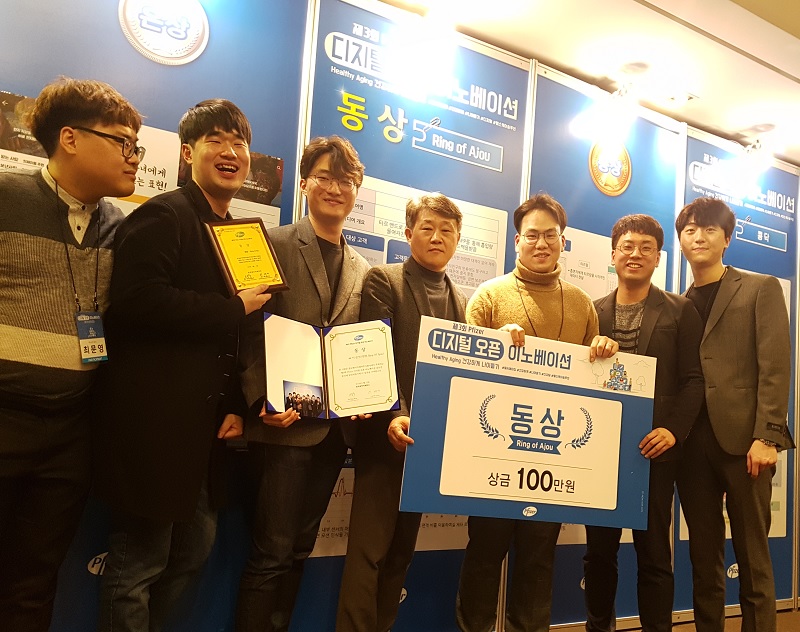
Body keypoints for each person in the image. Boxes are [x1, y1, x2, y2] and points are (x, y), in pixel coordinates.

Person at [93, 99, 270, 632]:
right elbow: (134, 303)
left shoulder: (238, 232)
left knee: (193, 551)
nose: (231, 152)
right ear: (188, 152)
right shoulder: (165, 214)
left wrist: (237, 404)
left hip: (205, 430)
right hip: (153, 425)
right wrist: (231, 307)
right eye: (216, 140)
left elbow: (236, 336)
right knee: (137, 563)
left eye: (239, 143)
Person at [0, 77, 142, 631]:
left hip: (72, 431)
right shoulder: (6, 197)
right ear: (70, 138)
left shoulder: (122, 228)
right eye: (122, 142)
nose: (134, 156)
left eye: (136, 146)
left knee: (34, 580)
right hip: (5, 414)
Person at [455, 193, 618, 632]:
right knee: (483, 557)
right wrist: (492, 342)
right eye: (532, 235)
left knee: (538, 563)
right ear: (517, 241)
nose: (541, 243)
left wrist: (604, 351)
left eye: (550, 235)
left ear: (563, 241)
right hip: (492, 458)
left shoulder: (583, 304)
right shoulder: (489, 296)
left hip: (552, 460)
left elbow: (593, 385)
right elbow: (465, 376)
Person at [236, 135, 369, 632]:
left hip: (333, 432)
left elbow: (360, 347)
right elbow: (247, 329)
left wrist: (365, 396)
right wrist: (258, 399)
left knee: (299, 549)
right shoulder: (275, 244)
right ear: (305, 183)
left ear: (356, 190)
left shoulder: (362, 268)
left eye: (345, 180)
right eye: (325, 177)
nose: (335, 188)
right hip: (283, 424)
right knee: (270, 553)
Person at [336, 193, 468, 632]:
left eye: (447, 230)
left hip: (428, 451)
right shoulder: (384, 280)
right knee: (368, 555)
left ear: (457, 239)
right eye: (427, 228)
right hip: (386, 440)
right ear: (409, 234)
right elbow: (376, 357)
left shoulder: (461, 299)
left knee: (400, 557)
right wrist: (396, 414)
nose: (437, 237)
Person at [675, 197, 793, 632]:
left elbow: (775, 366)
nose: (699, 237)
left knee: (753, 558)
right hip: (692, 448)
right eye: (690, 230)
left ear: (726, 239)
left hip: (746, 444)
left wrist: (768, 435)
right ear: (681, 240)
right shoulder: (679, 302)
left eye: (709, 229)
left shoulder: (760, 288)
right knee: (703, 560)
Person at [583, 214, 704, 632]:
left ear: (657, 258)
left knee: (654, 556)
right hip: (598, 452)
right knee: (599, 554)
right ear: (613, 254)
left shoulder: (681, 310)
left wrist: (673, 430)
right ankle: (599, 626)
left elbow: (694, 379)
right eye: (627, 246)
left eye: (645, 248)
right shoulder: (592, 311)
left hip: (655, 452)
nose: (635, 254)